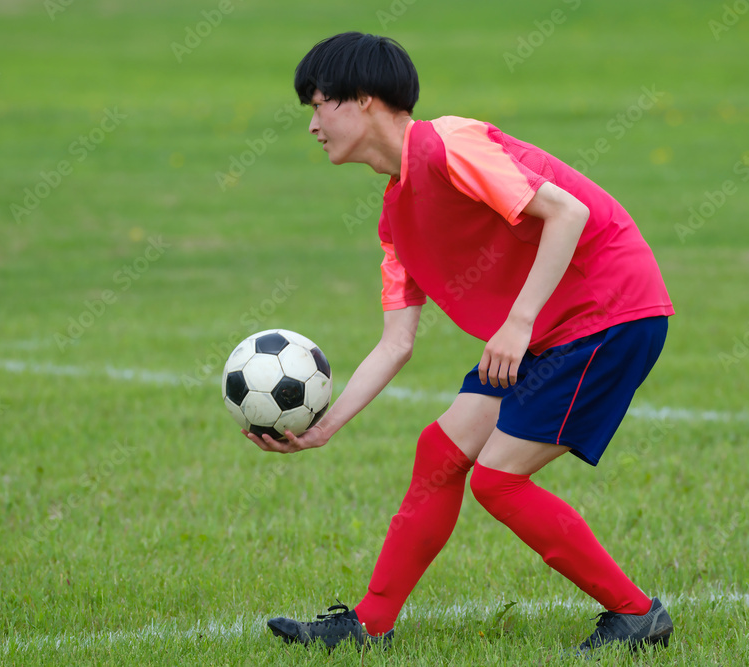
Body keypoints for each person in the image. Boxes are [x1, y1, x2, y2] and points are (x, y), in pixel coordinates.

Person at [244, 31, 675, 654]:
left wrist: (518, 322)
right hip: (548, 327)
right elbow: (395, 344)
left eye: (318, 104)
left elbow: (568, 214)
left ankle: (637, 615)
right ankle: (370, 627)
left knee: (497, 481)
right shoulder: (396, 219)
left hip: (608, 310)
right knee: (439, 452)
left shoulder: (450, 144)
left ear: (363, 99)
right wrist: (323, 427)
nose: (312, 124)